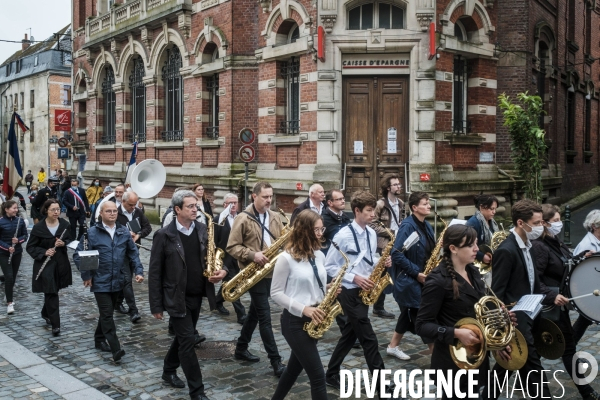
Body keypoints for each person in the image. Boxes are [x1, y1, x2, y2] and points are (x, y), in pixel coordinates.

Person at [416, 225, 515, 399]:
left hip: (477, 357)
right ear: (453, 249)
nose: (477, 249)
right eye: (470, 245)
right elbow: (422, 325)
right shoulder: (437, 281)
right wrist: (456, 333)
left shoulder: (473, 271)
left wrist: (497, 337)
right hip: (452, 362)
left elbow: (480, 313)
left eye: (476, 243)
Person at [149, 190, 227, 400]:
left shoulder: (203, 229)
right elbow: (155, 273)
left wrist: (222, 271)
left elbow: (218, 254)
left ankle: (168, 369)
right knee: (187, 342)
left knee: (184, 337)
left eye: (196, 206)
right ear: (177, 210)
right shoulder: (164, 235)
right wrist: (156, 305)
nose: (196, 209)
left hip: (197, 295)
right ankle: (197, 391)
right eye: (190, 206)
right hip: (176, 297)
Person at [324, 190, 394, 397]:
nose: (373, 214)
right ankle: (380, 385)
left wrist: (382, 262)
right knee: (369, 338)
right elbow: (329, 266)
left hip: (365, 291)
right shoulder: (342, 235)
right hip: (348, 291)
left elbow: (369, 258)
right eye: (369, 210)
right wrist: (354, 278)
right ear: (357, 211)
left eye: (373, 210)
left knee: (349, 335)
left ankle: (331, 373)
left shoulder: (372, 233)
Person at [486, 199, 554, 400]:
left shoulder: (530, 245)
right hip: (515, 323)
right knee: (534, 371)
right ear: (520, 223)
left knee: (505, 367)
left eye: (542, 222)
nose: (540, 227)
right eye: (537, 222)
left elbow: (532, 281)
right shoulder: (506, 251)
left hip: (531, 317)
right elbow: (496, 293)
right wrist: (503, 331)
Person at [531, 204, 600, 400]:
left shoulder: (554, 241)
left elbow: (564, 265)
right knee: (561, 349)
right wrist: (552, 295)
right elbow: (535, 280)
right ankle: (586, 393)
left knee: (562, 348)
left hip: (558, 305)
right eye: (555, 221)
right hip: (548, 306)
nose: (559, 224)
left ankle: (586, 392)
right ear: (543, 223)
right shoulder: (540, 246)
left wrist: (581, 258)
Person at [270, 210, 335, 400]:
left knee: (292, 370)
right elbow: (275, 293)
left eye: (321, 229)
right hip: (295, 322)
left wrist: (330, 288)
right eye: (316, 229)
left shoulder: (319, 255)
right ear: (304, 230)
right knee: (317, 376)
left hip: (315, 320)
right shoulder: (285, 259)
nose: (320, 233)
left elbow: (315, 284)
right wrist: (303, 308)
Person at [226, 181, 286, 377]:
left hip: (273, 272)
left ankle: (241, 348)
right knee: (265, 317)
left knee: (254, 312)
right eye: (265, 197)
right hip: (253, 274)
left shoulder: (276, 217)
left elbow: (281, 242)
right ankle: (276, 362)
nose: (269, 200)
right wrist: (253, 255)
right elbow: (232, 247)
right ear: (254, 196)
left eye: (271, 196)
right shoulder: (242, 218)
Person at [73, 200, 143, 362]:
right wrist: (86, 275)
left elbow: (133, 253)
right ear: (101, 214)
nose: (112, 213)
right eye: (108, 211)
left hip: (118, 279)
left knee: (108, 312)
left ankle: (99, 339)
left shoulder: (123, 232)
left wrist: (138, 271)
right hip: (100, 280)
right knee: (106, 314)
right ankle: (115, 348)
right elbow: (79, 255)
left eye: (114, 211)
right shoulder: (91, 233)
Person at [387, 191, 435, 360]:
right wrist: (416, 273)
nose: (428, 205)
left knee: (408, 312)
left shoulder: (426, 225)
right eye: (424, 203)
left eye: (428, 202)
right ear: (414, 207)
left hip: (422, 277)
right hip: (409, 279)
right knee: (421, 315)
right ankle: (437, 356)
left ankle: (393, 346)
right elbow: (397, 253)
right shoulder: (408, 226)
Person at [27, 199, 72, 336]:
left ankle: (45, 312)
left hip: (60, 263)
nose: (56, 212)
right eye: (53, 209)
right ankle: (55, 325)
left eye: (58, 209)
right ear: (46, 210)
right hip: (45, 264)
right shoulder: (39, 227)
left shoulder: (65, 224)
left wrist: (63, 243)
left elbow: (71, 239)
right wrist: (44, 252)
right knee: (51, 291)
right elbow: (30, 247)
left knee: (53, 290)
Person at [369, 173, 404, 319]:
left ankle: (404, 304)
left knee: (398, 273)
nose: (399, 186)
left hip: (398, 242)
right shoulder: (380, 204)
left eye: (399, 184)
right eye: (395, 184)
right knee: (384, 275)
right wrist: (390, 231)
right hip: (384, 245)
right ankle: (378, 307)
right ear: (388, 187)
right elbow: (371, 224)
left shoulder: (401, 203)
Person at [115, 190, 152, 322]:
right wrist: (124, 234)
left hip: (134, 250)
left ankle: (117, 302)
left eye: (135, 204)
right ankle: (133, 311)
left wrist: (139, 235)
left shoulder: (138, 212)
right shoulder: (115, 213)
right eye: (130, 204)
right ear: (123, 202)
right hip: (120, 252)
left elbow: (148, 227)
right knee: (126, 279)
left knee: (126, 278)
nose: (133, 207)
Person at [214, 193, 247, 324]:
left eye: (235, 202)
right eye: (230, 203)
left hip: (238, 257)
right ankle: (241, 314)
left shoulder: (242, 217)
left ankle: (217, 301)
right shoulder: (218, 219)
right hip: (225, 258)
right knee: (233, 285)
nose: (233, 205)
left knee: (229, 283)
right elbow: (215, 241)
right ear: (224, 205)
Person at [571, 209, 600, 344]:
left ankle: (569, 346)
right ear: (594, 226)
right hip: (591, 290)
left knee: (584, 320)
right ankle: (568, 347)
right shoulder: (586, 245)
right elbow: (578, 272)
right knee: (584, 319)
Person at [0, 200, 29, 315]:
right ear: (6, 209)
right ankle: (9, 303)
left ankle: (8, 294)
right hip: (3, 253)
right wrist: (7, 247)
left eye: (17, 208)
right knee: (9, 277)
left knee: (13, 276)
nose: (16, 210)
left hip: (17, 253)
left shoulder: (20, 221)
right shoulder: (1, 222)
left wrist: (18, 241)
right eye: (14, 208)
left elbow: (25, 236)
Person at [466, 194, 499, 265]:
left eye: (495, 209)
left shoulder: (492, 221)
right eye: (491, 209)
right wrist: (482, 256)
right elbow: (467, 245)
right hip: (477, 263)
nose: (494, 212)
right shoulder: (473, 223)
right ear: (481, 207)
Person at [321, 189, 350, 255]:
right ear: (330, 202)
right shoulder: (323, 219)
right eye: (339, 199)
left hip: (344, 255)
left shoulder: (345, 216)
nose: (343, 201)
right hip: (328, 256)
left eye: (343, 198)